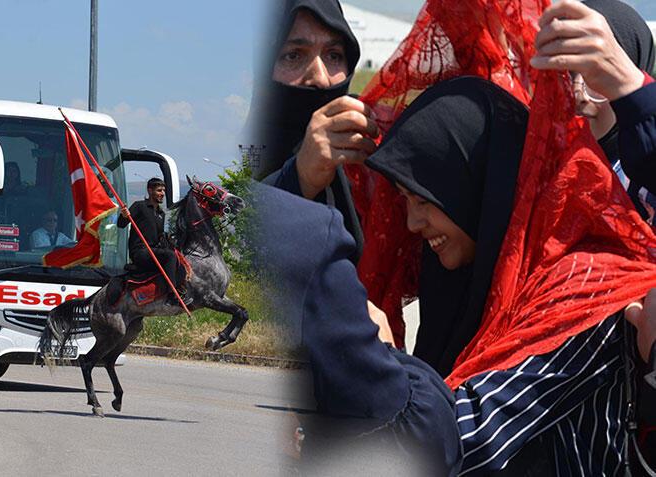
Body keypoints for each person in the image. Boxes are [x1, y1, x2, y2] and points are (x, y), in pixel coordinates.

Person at [261, 76, 656, 474]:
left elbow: (464, 440)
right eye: (404, 200)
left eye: (423, 200)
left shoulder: (585, 287)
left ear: (474, 185)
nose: (413, 222)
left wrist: (378, 356)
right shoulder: (473, 272)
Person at [249, 0, 379, 255]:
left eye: (334, 55)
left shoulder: (365, 141)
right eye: (294, 55)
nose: (319, 78)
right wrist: (299, 179)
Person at [532, 0, 656, 223]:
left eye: (599, 76)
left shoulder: (644, 190)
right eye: (566, 76)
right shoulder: (532, 178)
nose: (578, 95)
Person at [117, 177, 184, 303]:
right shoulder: (139, 206)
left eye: (163, 190)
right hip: (140, 252)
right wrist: (123, 215)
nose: (162, 193)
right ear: (150, 191)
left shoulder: (161, 213)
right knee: (170, 256)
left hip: (154, 251)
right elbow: (121, 224)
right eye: (159, 190)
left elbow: (159, 237)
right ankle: (172, 295)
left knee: (177, 257)